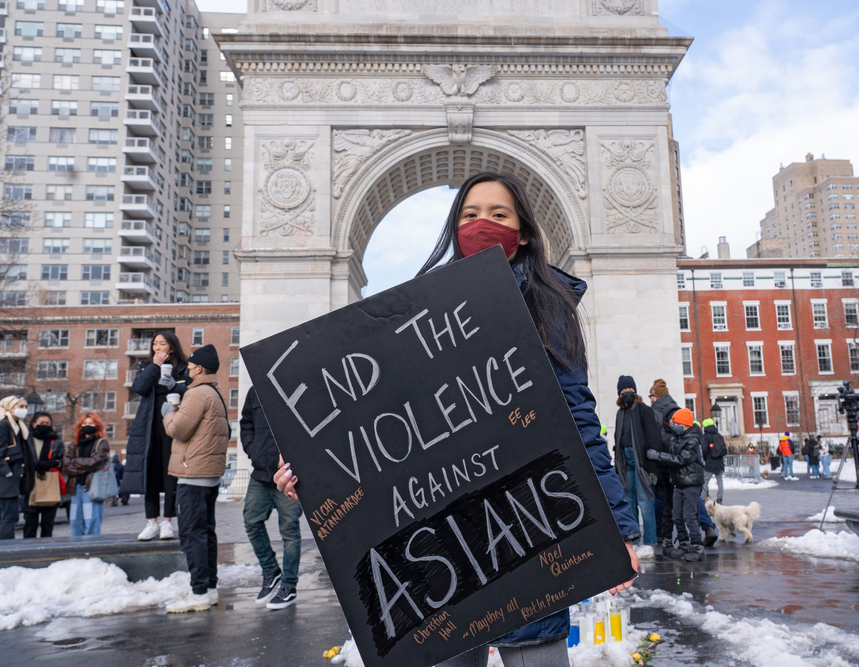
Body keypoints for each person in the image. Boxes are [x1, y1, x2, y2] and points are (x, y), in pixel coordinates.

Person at [277, 172, 641, 667]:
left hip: (527, 523)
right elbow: (379, 424)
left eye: (499, 214)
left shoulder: (549, 308)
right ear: (453, 227)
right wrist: (315, 473)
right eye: (470, 215)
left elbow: (580, 421)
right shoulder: (411, 314)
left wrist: (617, 531)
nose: (482, 224)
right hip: (440, 542)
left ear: (525, 231)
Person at [162, 343, 231, 613]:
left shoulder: (197, 394)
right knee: (206, 534)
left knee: (192, 536)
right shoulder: (214, 392)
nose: (187, 371)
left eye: (189, 367)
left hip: (192, 475)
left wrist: (168, 413)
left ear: (199, 368)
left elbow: (179, 430)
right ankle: (209, 588)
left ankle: (199, 592)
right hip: (208, 476)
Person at [121, 331, 190, 541]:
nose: (157, 347)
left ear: (172, 347)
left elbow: (189, 391)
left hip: (172, 425)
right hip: (149, 426)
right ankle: (151, 522)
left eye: (162, 344)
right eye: (155, 344)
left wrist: (175, 386)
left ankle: (167, 521)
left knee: (171, 474)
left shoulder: (183, 368)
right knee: (149, 472)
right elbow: (139, 388)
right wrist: (154, 366)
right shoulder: (146, 366)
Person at [241, 385, 302, 609]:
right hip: (260, 474)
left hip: (289, 475)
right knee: (251, 521)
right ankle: (271, 571)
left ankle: (289, 586)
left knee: (290, 532)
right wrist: (253, 450)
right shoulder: (255, 389)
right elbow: (245, 422)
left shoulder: (296, 380)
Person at [646, 408, 706, 562]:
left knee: (689, 515)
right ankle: (684, 543)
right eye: (673, 422)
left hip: (691, 483)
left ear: (685, 425)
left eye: (676, 422)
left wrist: (658, 456)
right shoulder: (677, 438)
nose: (673, 425)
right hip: (678, 483)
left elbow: (680, 459)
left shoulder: (692, 441)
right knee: (676, 515)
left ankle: (697, 546)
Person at [613, 375, 662, 559]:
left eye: (629, 390)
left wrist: (652, 468)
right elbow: (618, 439)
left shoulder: (643, 410)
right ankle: (632, 542)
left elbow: (654, 438)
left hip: (641, 461)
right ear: (619, 393)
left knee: (645, 503)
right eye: (624, 391)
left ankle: (649, 543)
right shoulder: (620, 414)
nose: (627, 393)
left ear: (635, 391)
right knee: (629, 504)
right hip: (625, 462)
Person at [63, 412, 111, 536]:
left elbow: (96, 462)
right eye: (85, 423)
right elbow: (66, 464)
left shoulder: (101, 442)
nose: (87, 425)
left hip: (92, 487)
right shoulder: (74, 444)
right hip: (76, 486)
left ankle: (92, 548)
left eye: (91, 423)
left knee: (92, 521)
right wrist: (83, 469)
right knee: (75, 520)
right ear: (80, 426)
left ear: (97, 425)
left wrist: (75, 462)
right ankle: (77, 549)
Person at [23, 412, 64, 538]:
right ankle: (28, 551)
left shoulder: (56, 441)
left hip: (49, 483)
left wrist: (54, 463)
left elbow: (63, 461)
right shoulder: (26, 439)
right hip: (30, 484)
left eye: (47, 423)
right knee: (30, 524)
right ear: (34, 423)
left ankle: (46, 550)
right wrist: (36, 465)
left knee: (48, 524)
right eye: (41, 423)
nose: (44, 425)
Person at [647, 379, 678, 545]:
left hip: (661, 458)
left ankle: (662, 534)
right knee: (682, 495)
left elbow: (653, 435)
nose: (650, 399)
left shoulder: (655, 411)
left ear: (656, 397)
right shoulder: (675, 406)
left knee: (661, 498)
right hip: (677, 459)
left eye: (652, 396)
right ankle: (705, 526)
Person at [1, 396, 33, 539]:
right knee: (9, 518)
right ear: (10, 407)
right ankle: (6, 553)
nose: (24, 410)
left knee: (9, 517)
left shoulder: (18, 425)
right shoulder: (4, 425)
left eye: (25, 406)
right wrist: (8, 473)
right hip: (6, 483)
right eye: (21, 406)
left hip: (13, 481)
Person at [701, 418, 726, 503]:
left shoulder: (706, 436)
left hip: (710, 462)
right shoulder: (719, 435)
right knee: (719, 481)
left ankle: (703, 499)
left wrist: (704, 458)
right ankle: (720, 499)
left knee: (705, 481)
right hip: (719, 462)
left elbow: (704, 449)